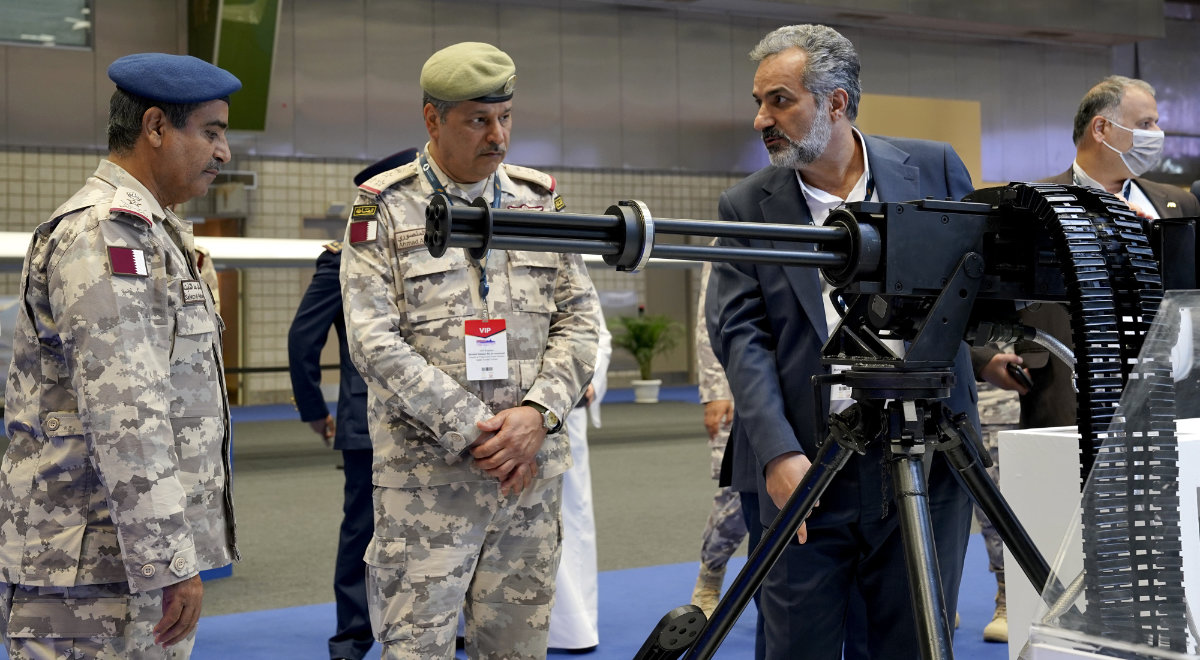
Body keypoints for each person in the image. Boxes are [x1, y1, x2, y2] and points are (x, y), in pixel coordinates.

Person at [709, 24, 1021, 659]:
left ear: (835, 102)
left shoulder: (933, 168)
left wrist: (987, 357)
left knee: (914, 640)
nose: (761, 119)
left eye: (779, 100)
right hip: (802, 464)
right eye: (758, 101)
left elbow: (970, 290)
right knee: (798, 644)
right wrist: (776, 454)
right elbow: (741, 334)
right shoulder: (746, 203)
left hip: (930, 457)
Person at [339, 41, 601, 659]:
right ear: (433, 119)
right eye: (478, 120)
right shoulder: (383, 206)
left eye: (506, 116)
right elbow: (372, 342)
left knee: (517, 648)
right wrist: (479, 431)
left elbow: (581, 319)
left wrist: (537, 415)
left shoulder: (539, 202)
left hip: (527, 481)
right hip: (428, 483)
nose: (499, 136)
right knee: (417, 647)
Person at [0, 53, 240, 658]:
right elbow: (125, 411)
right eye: (211, 132)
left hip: (125, 564)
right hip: (85, 575)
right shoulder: (104, 233)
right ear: (155, 127)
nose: (224, 152)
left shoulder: (154, 231)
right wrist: (169, 559)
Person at [972, 74, 1200, 643]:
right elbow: (975, 296)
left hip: (1170, 400)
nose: (1157, 134)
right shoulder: (1032, 204)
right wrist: (987, 357)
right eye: (1146, 123)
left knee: (1158, 529)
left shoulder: (1177, 203)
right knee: (1064, 527)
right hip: (1063, 395)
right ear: (1104, 127)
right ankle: (1049, 618)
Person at [549, 318, 611, 653]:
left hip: (559, 400)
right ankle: (462, 619)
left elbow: (594, 329)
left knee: (566, 512)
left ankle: (571, 623)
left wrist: (587, 378)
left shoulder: (564, 264)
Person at [690, 261, 747, 618]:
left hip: (817, 382)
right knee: (738, 495)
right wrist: (715, 391)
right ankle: (710, 575)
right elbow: (709, 316)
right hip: (741, 384)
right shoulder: (739, 224)